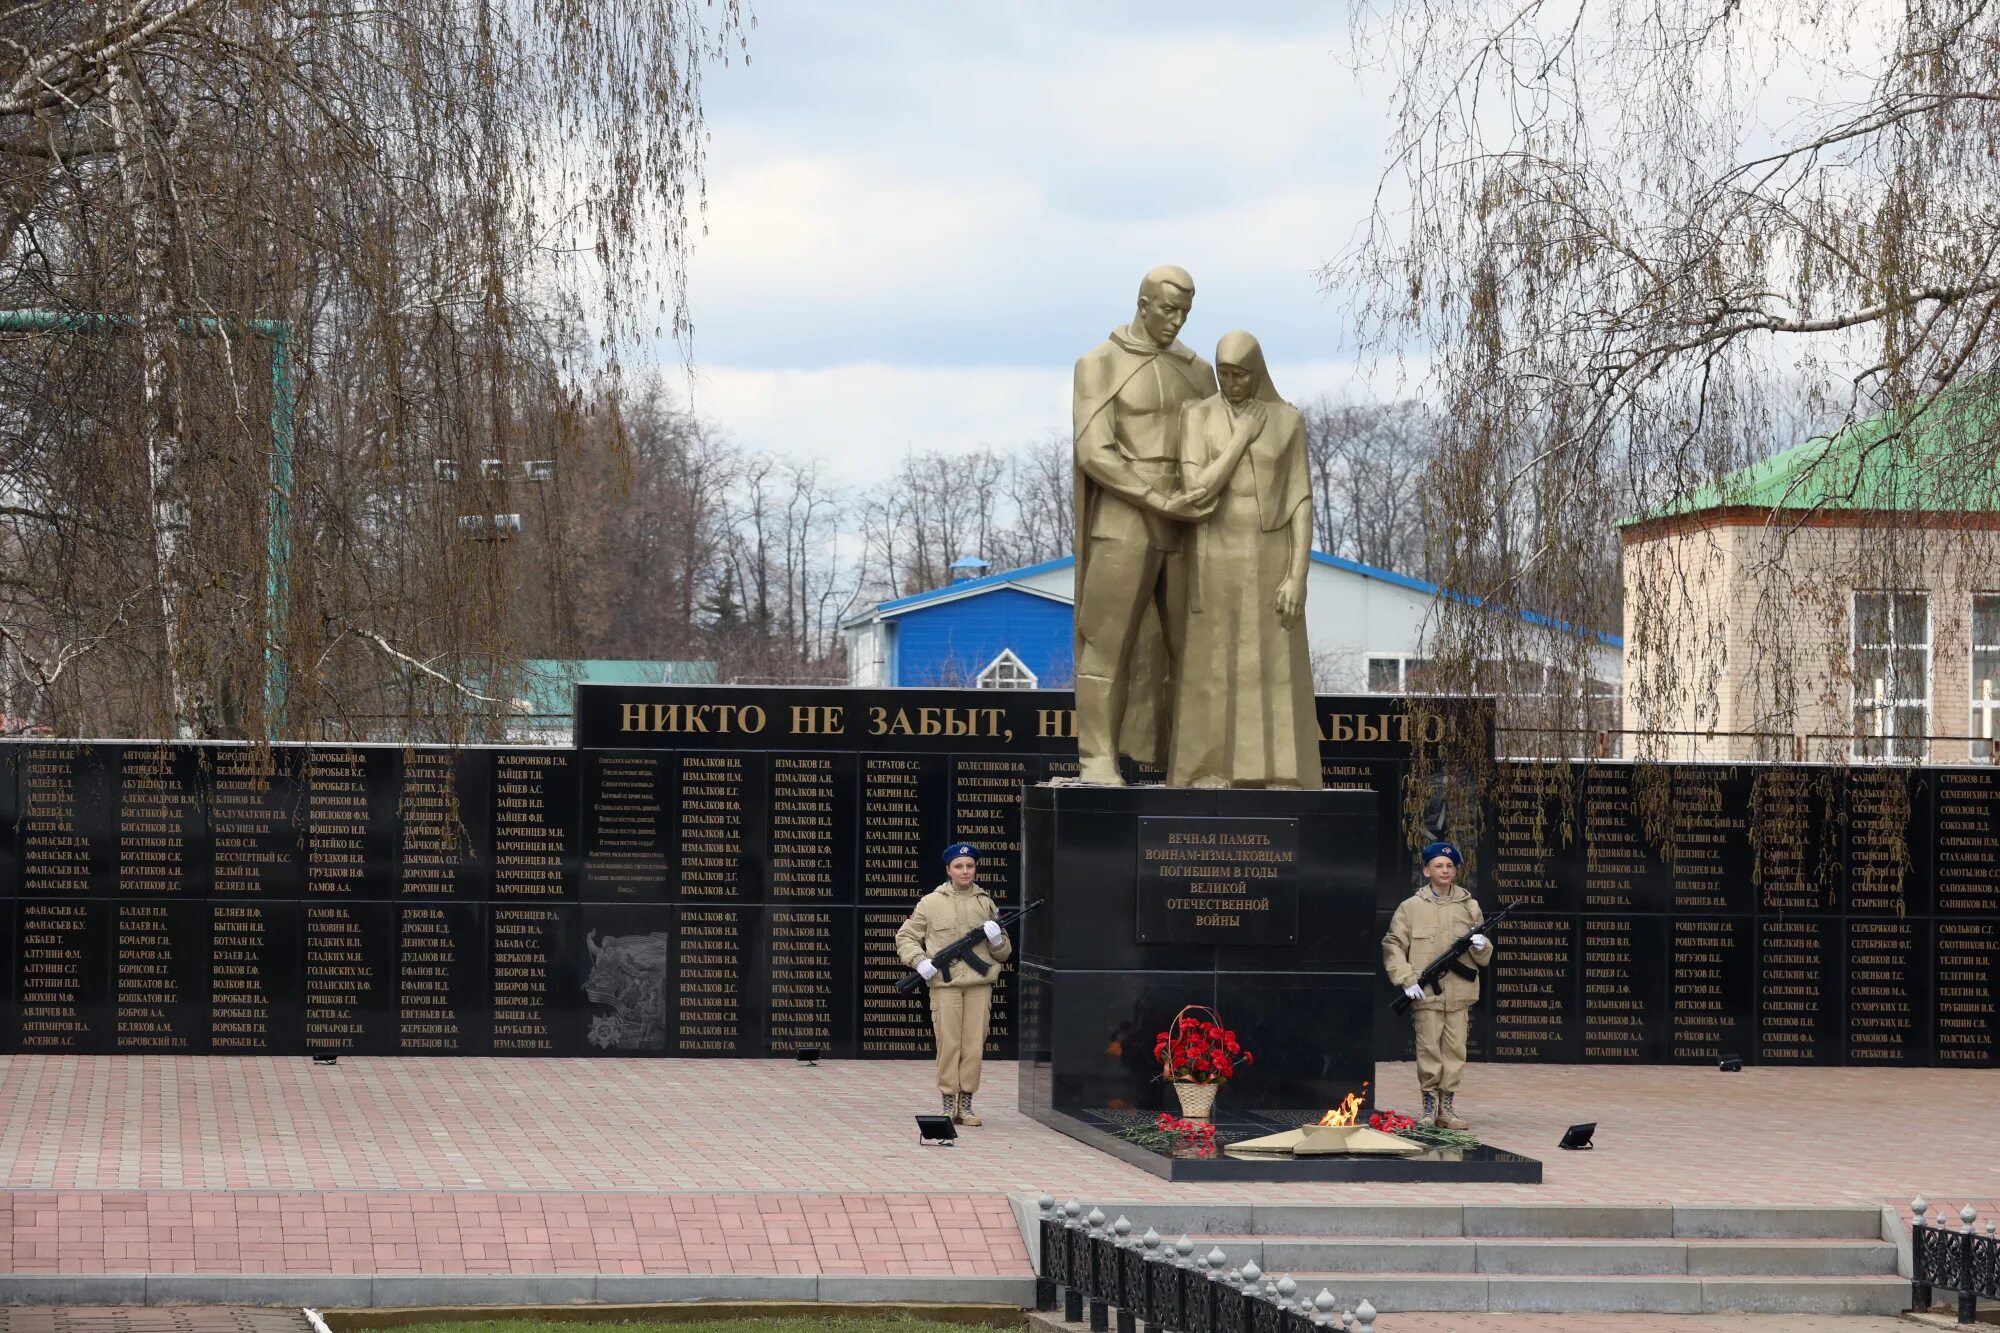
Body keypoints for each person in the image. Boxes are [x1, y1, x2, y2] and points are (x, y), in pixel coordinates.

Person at [1070, 265, 1220, 784]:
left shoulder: (1199, 371)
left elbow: (1218, 442)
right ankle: (1097, 758)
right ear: (1142, 303)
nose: (1176, 321)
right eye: (1167, 310)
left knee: (1193, 646)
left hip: (1188, 518)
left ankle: (1191, 759)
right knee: (1108, 643)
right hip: (1124, 518)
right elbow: (1093, 450)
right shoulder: (1099, 363)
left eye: (1184, 313)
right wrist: (1157, 499)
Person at [1165, 330, 1321, 788]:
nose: (1231, 383)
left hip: (1271, 555)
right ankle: (1206, 770)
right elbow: (1196, 490)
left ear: (1257, 371)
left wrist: (1298, 576)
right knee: (1212, 664)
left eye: (1240, 374)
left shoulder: (1288, 419)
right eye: (1223, 373)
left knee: (1274, 664)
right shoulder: (1197, 416)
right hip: (1214, 553)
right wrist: (1241, 438)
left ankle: (1281, 772)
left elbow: (1300, 501)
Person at [895, 841, 1012, 1126]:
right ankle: (948, 1102)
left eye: (970, 866)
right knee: (948, 1043)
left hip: (978, 984)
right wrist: (919, 960)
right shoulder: (930, 903)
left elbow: (1004, 952)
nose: (965, 871)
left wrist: (997, 939)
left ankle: (966, 1106)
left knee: (973, 1044)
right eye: (959, 867)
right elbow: (906, 936)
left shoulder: (985, 903)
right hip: (945, 986)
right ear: (949, 870)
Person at [1381, 840, 1493, 1128]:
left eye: (1449, 866)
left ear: (1456, 871)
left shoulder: (1470, 907)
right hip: (1427, 993)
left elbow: (1483, 958)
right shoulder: (1411, 908)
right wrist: (1406, 979)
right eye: (1438, 866)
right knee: (1429, 1048)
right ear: (1426, 870)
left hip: (1460, 994)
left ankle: (1448, 1107)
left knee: (1455, 1050)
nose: (1444, 870)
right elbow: (1393, 944)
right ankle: (1429, 1107)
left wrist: (1481, 945)